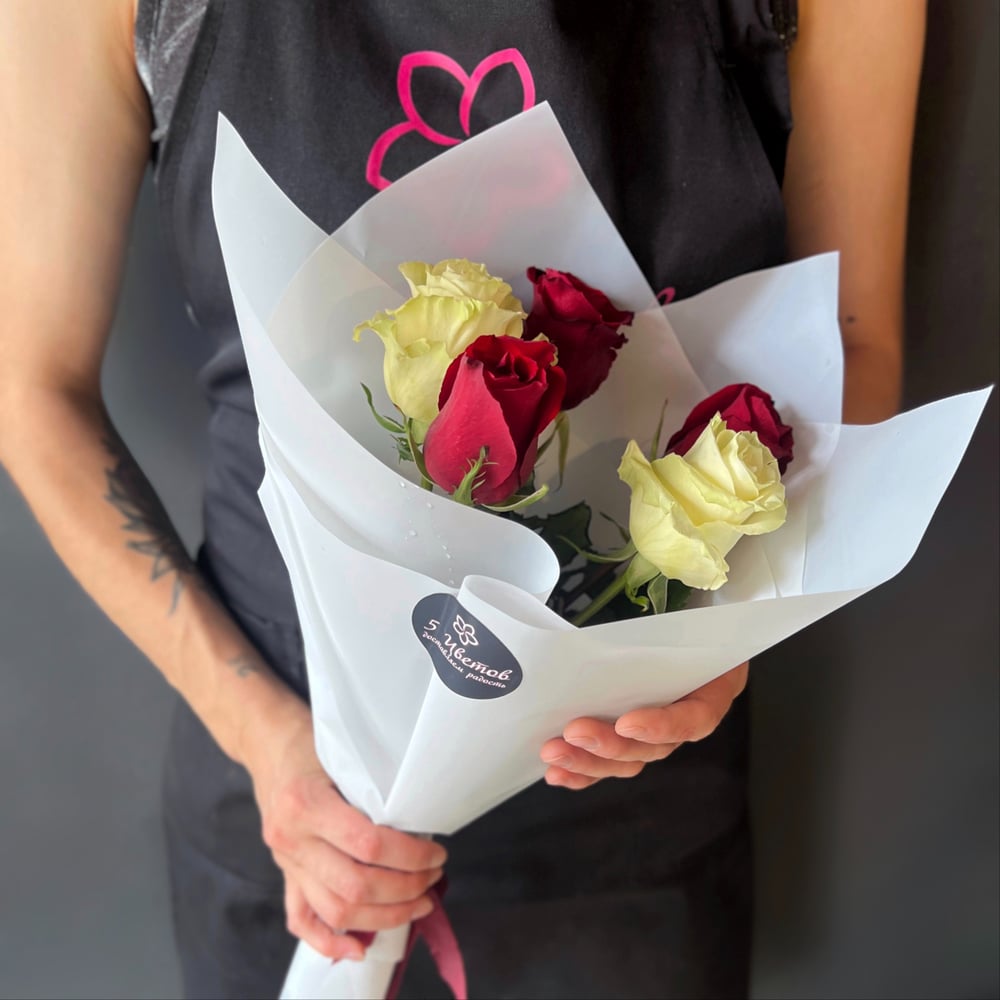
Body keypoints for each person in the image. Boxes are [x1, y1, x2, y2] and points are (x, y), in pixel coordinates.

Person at [0, 1, 924, 997]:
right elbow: (30, 390)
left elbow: (849, 337)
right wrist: (265, 740)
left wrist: (727, 634)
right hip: (285, 784)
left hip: (629, 787)